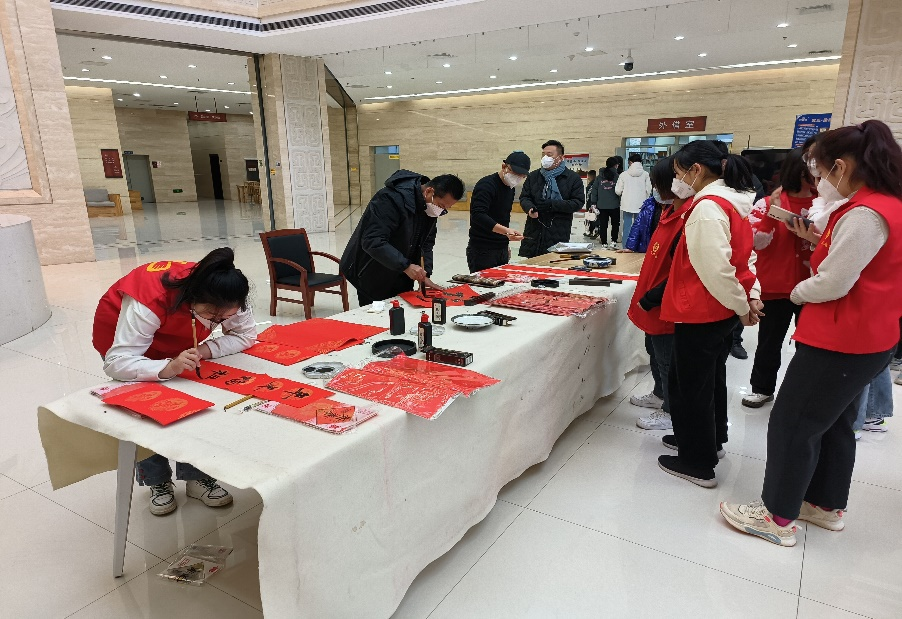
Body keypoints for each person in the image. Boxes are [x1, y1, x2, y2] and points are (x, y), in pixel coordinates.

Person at [720, 120, 902, 547]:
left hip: (841, 338)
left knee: (793, 423)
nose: (816, 180)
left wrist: (797, 292)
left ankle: (776, 515)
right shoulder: (886, 204)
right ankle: (823, 504)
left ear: (840, 167)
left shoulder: (865, 213)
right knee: (834, 424)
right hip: (867, 335)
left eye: (819, 171)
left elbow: (834, 281)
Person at [92, 248, 257, 516]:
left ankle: (197, 477)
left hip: (177, 346)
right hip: (125, 346)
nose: (218, 323)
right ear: (192, 299)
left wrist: (202, 351)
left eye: (224, 319)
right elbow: (118, 362)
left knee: (194, 407)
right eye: (212, 317)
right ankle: (157, 481)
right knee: (145, 411)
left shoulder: (226, 293)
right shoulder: (150, 300)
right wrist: (167, 367)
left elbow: (246, 336)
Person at [657, 140, 763, 488]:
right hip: (719, 309)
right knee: (710, 379)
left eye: (678, 173)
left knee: (690, 386)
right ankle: (708, 440)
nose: (678, 181)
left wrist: (743, 305)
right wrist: (748, 297)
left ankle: (697, 462)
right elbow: (746, 258)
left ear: (696, 170)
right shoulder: (734, 201)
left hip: (702, 309)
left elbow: (715, 270)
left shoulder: (707, 207)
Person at [742, 146, 817, 408]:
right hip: (775, 287)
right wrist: (771, 216)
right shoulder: (766, 203)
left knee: (808, 347)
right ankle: (762, 388)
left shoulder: (823, 204)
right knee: (769, 342)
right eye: (812, 169)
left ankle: (802, 394)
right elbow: (754, 242)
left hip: (813, 288)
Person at [626, 157, 691, 431]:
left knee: (667, 360)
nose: (654, 189)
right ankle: (659, 393)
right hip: (652, 300)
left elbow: (684, 272)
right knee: (653, 350)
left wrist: (653, 297)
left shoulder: (688, 217)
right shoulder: (667, 211)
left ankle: (670, 411)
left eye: (656, 184)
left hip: (664, 303)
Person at [340, 171, 464, 305]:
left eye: (445, 209)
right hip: (372, 270)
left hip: (401, 271)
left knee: (401, 311)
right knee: (378, 313)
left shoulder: (429, 208)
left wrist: (424, 274)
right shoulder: (389, 199)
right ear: (429, 191)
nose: (440, 211)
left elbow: (426, 244)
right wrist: (406, 266)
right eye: (441, 206)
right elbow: (373, 240)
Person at [518, 140, 586, 258]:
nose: (545, 158)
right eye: (543, 155)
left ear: (561, 157)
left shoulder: (572, 178)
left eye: (549, 155)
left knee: (553, 263)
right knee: (532, 264)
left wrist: (552, 204)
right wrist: (529, 208)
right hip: (534, 229)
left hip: (558, 229)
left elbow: (578, 202)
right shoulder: (533, 176)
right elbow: (525, 197)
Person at [466, 152, 530, 272]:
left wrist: (505, 244)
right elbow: (478, 215)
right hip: (482, 249)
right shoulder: (486, 185)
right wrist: (506, 231)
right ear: (504, 166)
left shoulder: (510, 188)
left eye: (521, 176)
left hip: (501, 248)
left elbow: (503, 217)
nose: (517, 178)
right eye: (515, 173)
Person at [615, 153, 652, 244]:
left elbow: (618, 191)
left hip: (627, 204)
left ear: (630, 162)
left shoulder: (624, 174)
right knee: (639, 226)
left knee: (627, 226)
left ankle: (625, 245)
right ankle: (637, 245)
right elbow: (649, 190)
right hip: (641, 204)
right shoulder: (645, 174)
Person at [618, 186, 664, 253]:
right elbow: (637, 226)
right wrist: (630, 247)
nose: (656, 190)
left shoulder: (674, 208)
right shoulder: (648, 205)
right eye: (655, 187)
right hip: (648, 249)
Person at [595, 157, 622, 247]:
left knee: (603, 224)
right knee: (615, 224)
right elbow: (620, 190)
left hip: (601, 205)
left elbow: (594, 190)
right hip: (614, 205)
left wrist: (593, 202)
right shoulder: (617, 177)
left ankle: (604, 243)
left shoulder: (599, 177)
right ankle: (613, 241)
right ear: (615, 165)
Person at [583, 169, 599, 238]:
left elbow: (589, 196)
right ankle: (591, 231)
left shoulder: (591, 186)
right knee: (591, 218)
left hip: (591, 204)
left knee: (592, 219)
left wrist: (589, 205)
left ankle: (593, 231)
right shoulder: (596, 184)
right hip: (594, 204)